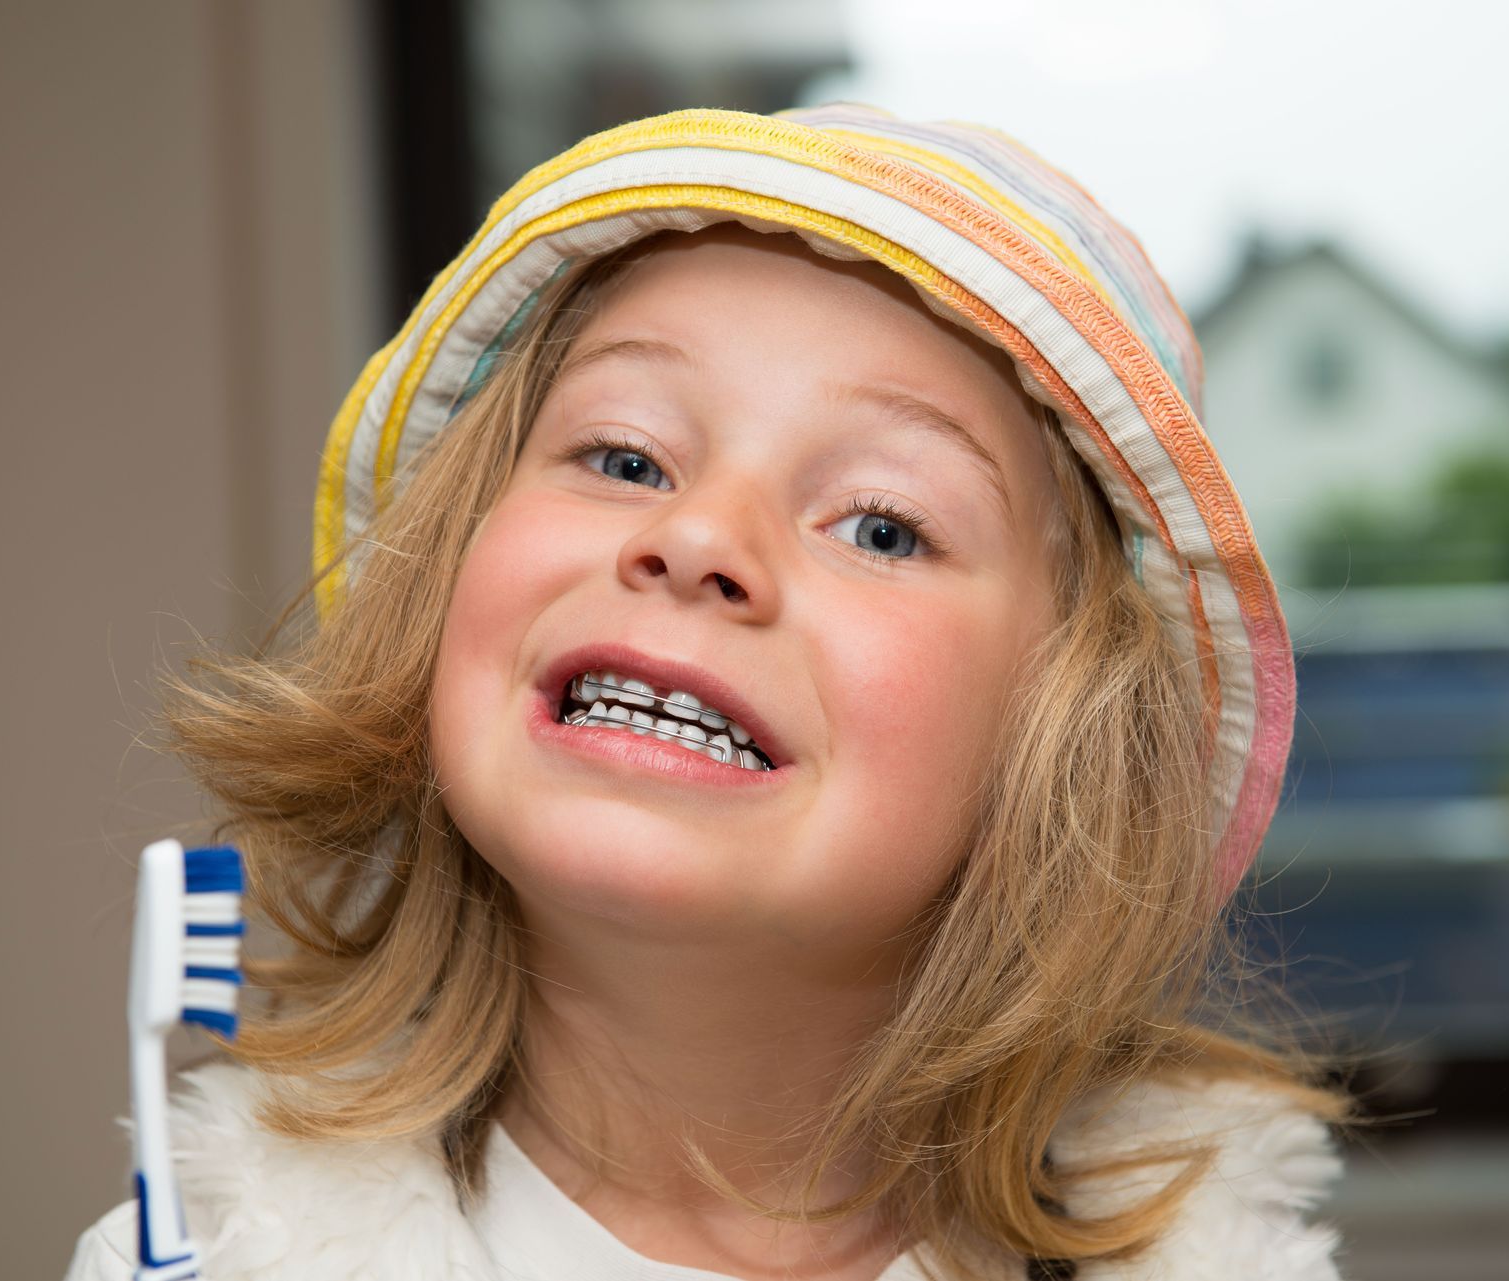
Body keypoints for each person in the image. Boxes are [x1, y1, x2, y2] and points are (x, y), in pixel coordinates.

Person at [66, 103, 1370, 1281]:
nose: (698, 538)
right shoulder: (209, 1253)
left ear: (1062, 754)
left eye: (881, 526)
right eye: (626, 455)